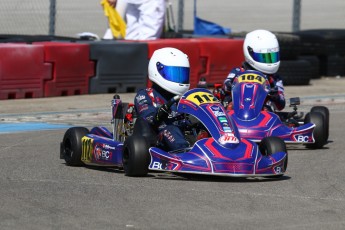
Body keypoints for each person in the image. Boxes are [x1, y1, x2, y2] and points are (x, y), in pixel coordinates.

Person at [134, 47, 190, 151]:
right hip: (157, 135)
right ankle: (184, 152)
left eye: (182, 74)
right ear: (157, 70)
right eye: (173, 74)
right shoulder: (145, 94)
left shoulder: (186, 97)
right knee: (171, 129)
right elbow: (149, 118)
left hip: (184, 131)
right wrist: (162, 111)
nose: (179, 79)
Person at [222, 29, 286, 111]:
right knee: (229, 104)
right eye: (264, 57)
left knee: (268, 107)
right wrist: (228, 86)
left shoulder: (275, 79)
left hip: (262, 112)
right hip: (236, 109)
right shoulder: (238, 72)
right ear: (250, 53)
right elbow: (225, 87)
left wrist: (275, 95)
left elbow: (281, 105)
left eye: (272, 57)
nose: (269, 62)